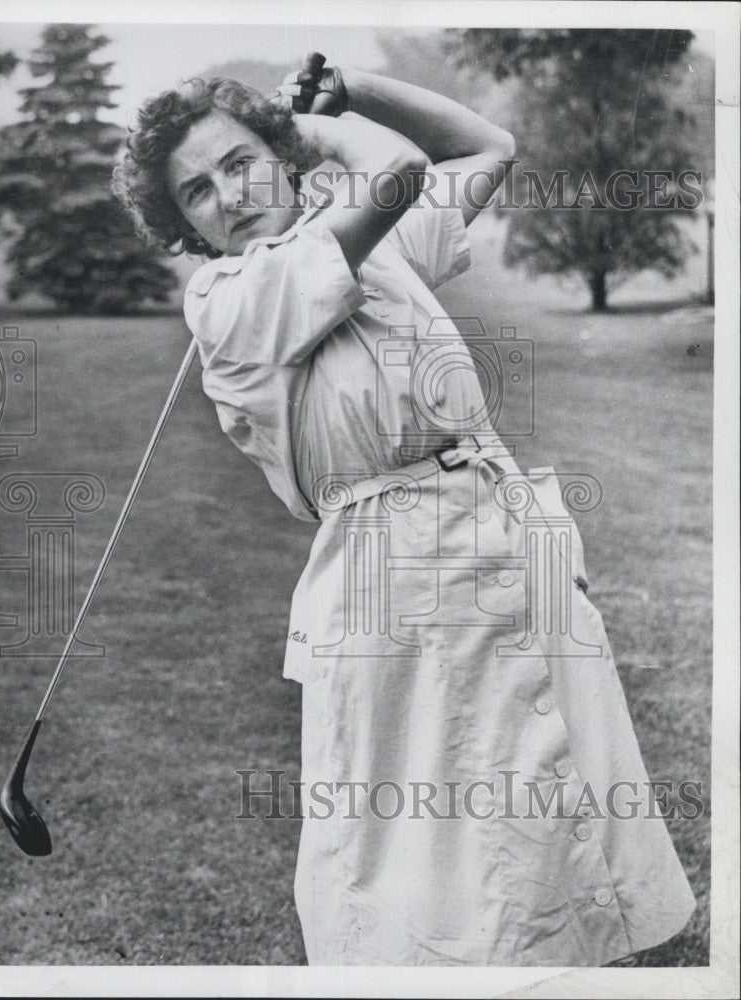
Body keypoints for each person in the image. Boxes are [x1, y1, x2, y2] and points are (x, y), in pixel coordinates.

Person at [113, 64, 696, 967]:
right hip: (396, 589)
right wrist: (315, 136)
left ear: (277, 157)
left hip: (501, 534)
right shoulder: (224, 303)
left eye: (240, 161)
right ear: (182, 223)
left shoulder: (373, 249)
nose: (228, 195)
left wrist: (353, 90)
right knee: (429, 876)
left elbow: (484, 147)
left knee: (552, 837)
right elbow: (393, 176)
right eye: (197, 189)